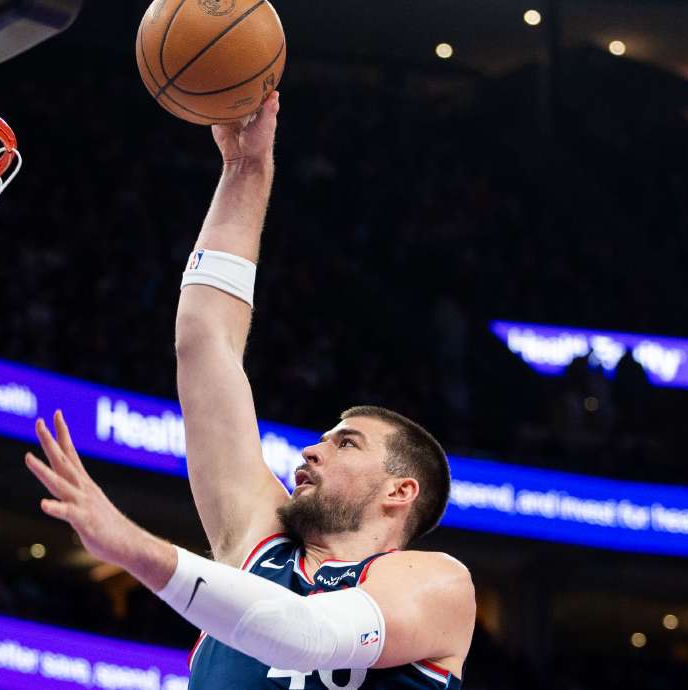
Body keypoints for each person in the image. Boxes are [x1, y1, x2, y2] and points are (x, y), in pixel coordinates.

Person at [24, 91, 475, 689]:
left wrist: (134, 547)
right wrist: (245, 169)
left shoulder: (437, 583)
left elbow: (303, 634)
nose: (311, 451)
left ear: (400, 489)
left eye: (346, 444)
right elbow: (204, 344)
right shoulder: (257, 543)